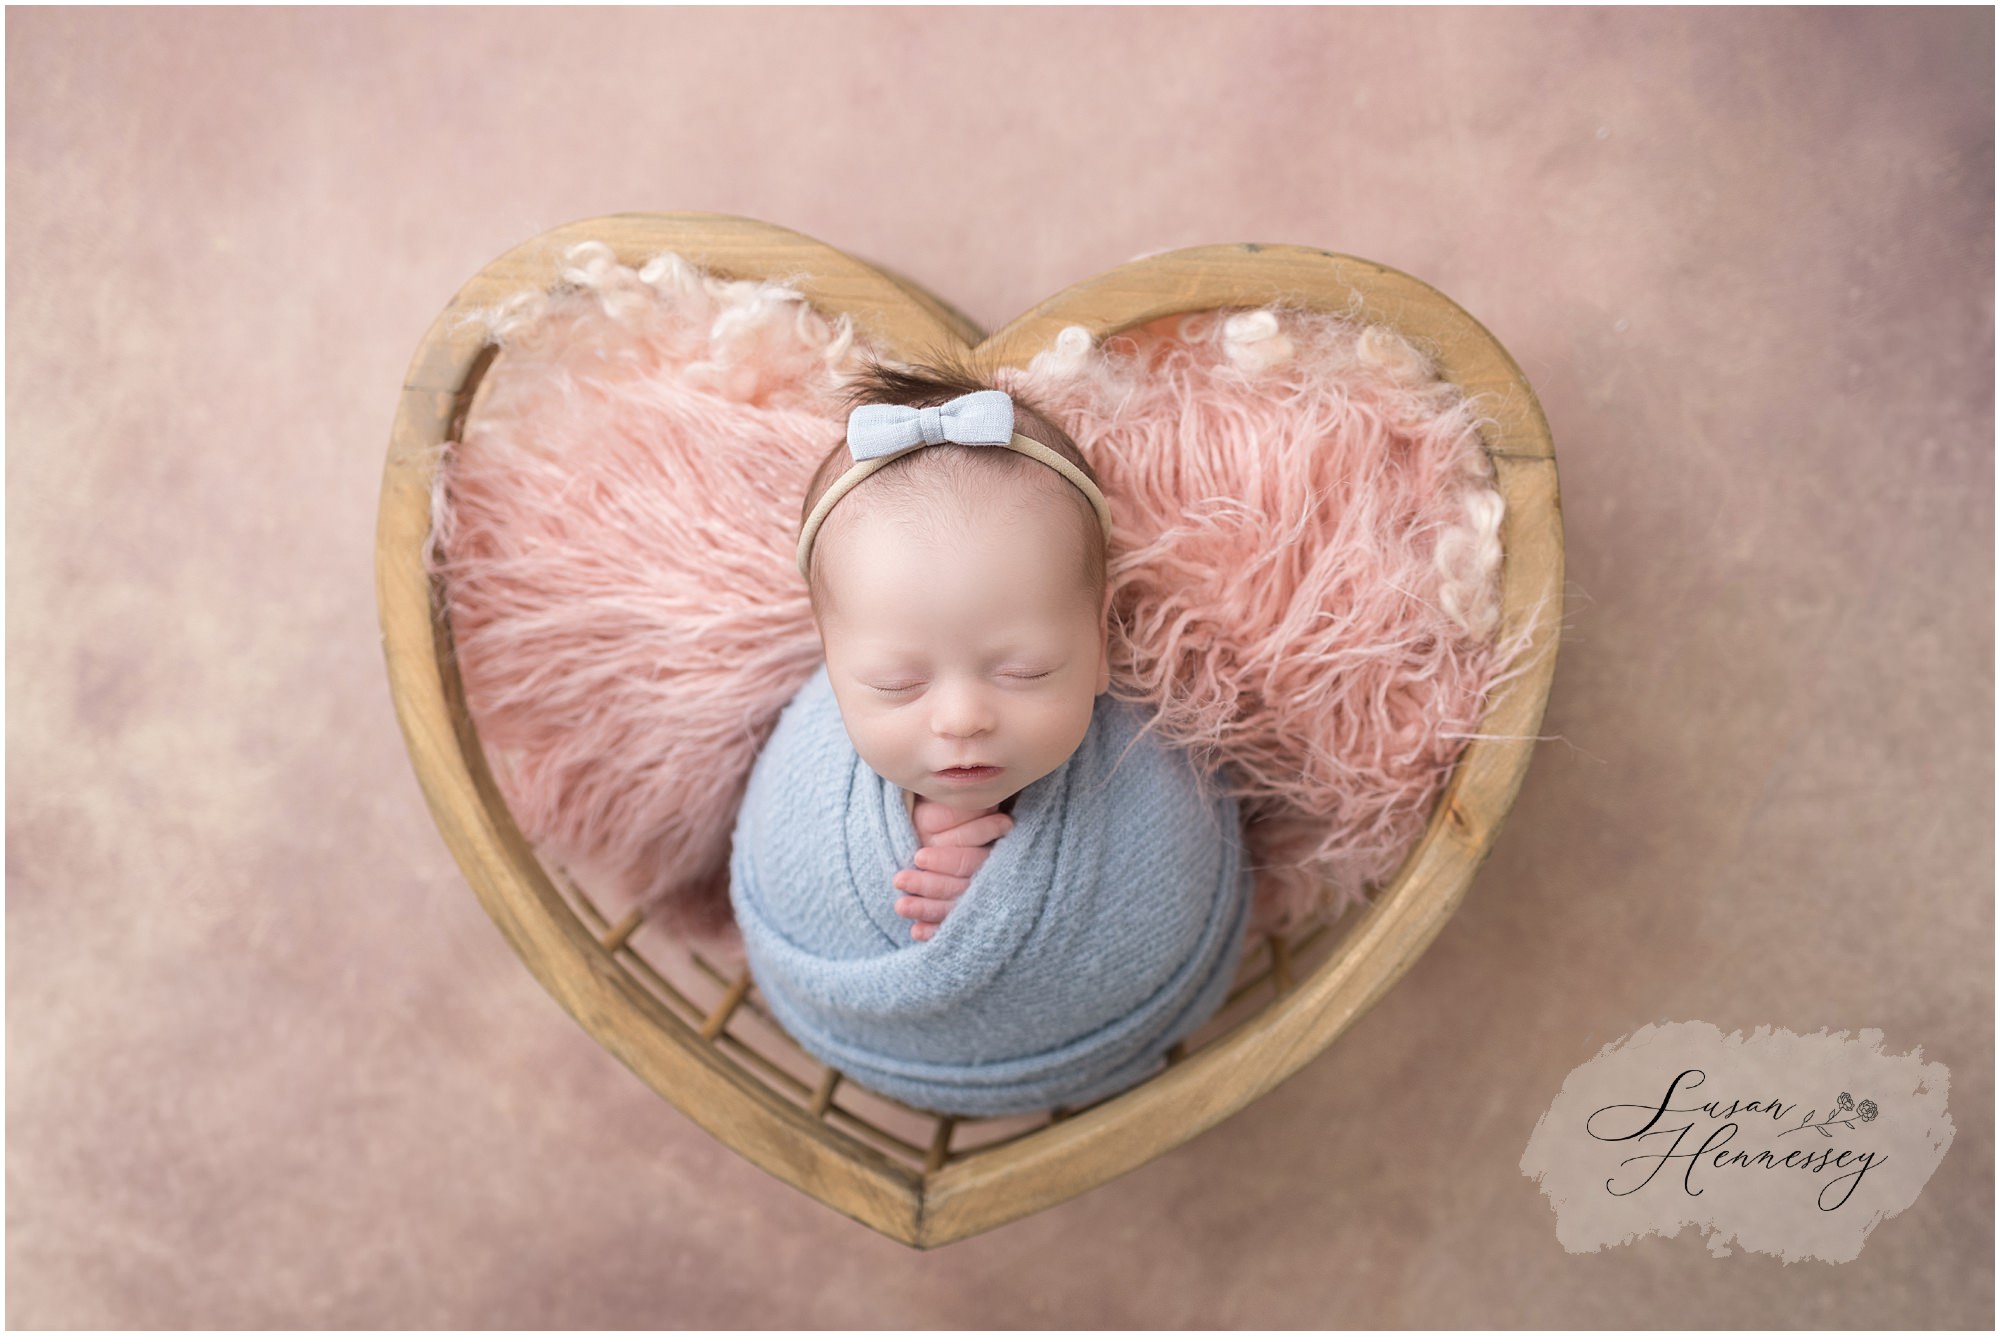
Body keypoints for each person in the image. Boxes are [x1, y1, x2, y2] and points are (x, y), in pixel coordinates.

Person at [795, 354, 1115, 941]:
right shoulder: (814, 778)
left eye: (1027, 671)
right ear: (830, 662)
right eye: (896, 684)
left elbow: (1157, 885)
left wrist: (1016, 894)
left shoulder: (1138, 772)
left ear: (1101, 639)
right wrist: (899, 850)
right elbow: (787, 864)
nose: (962, 719)